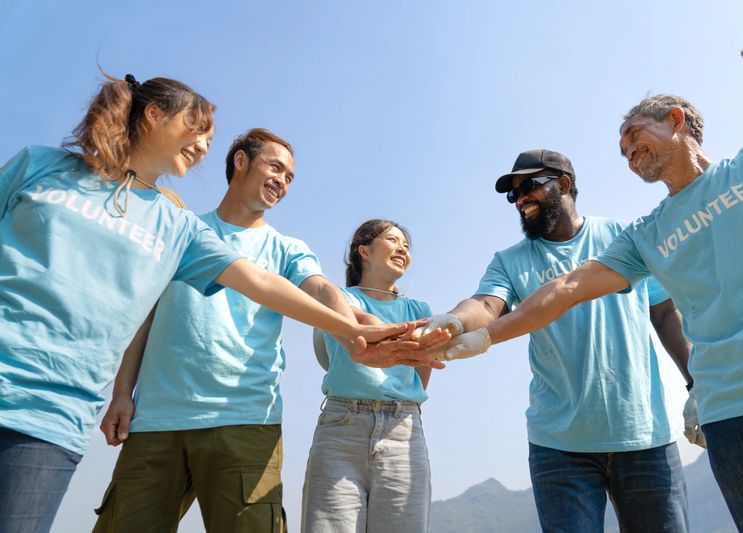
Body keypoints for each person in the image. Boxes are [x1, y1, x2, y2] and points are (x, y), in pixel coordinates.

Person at [0, 75, 429, 533]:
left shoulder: (247, 241)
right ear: (241, 162)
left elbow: (305, 288)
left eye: (290, 176)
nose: (283, 181)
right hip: (156, 418)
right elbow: (141, 314)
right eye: (276, 167)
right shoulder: (168, 221)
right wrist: (123, 392)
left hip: (242, 417)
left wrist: (356, 326)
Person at [431, 24, 743, 532]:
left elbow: (662, 312)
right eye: (621, 149)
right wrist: (475, 336)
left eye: (633, 136)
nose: (626, 152)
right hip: (734, 419)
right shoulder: (645, 235)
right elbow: (563, 290)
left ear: (676, 120)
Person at [417, 149, 692, 531]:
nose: (520, 200)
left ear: (563, 184)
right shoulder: (510, 260)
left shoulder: (622, 237)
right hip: (559, 447)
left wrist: (698, 383)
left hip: (644, 435)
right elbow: (485, 304)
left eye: (528, 186)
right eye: (513, 194)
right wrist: (454, 321)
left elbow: (663, 312)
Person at [302, 220, 437, 533]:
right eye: (393, 240)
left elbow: (421, 371)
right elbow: (345, 333)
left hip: (404, 432)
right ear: (364, 251)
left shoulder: (420, 309)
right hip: (341, 429)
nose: (402, 248)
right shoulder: (337, 298)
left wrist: (400, 402)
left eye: (406, 245)